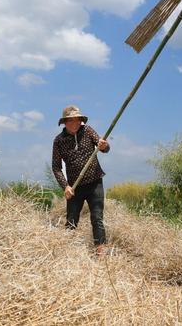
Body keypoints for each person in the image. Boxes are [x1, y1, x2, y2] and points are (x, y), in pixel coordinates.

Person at [52, 105, 110, 255]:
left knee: (97, 217)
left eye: (77, 120)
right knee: (71, 220)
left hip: (94, 182)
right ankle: (66, 251)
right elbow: (56, 167)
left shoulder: (88, 131)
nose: (75, 123)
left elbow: (104, 147)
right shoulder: (59, 141)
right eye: (71, 120)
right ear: (65, 122)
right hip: (74, 188)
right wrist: (65, 186)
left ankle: (100, 250)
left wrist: (104, 146)